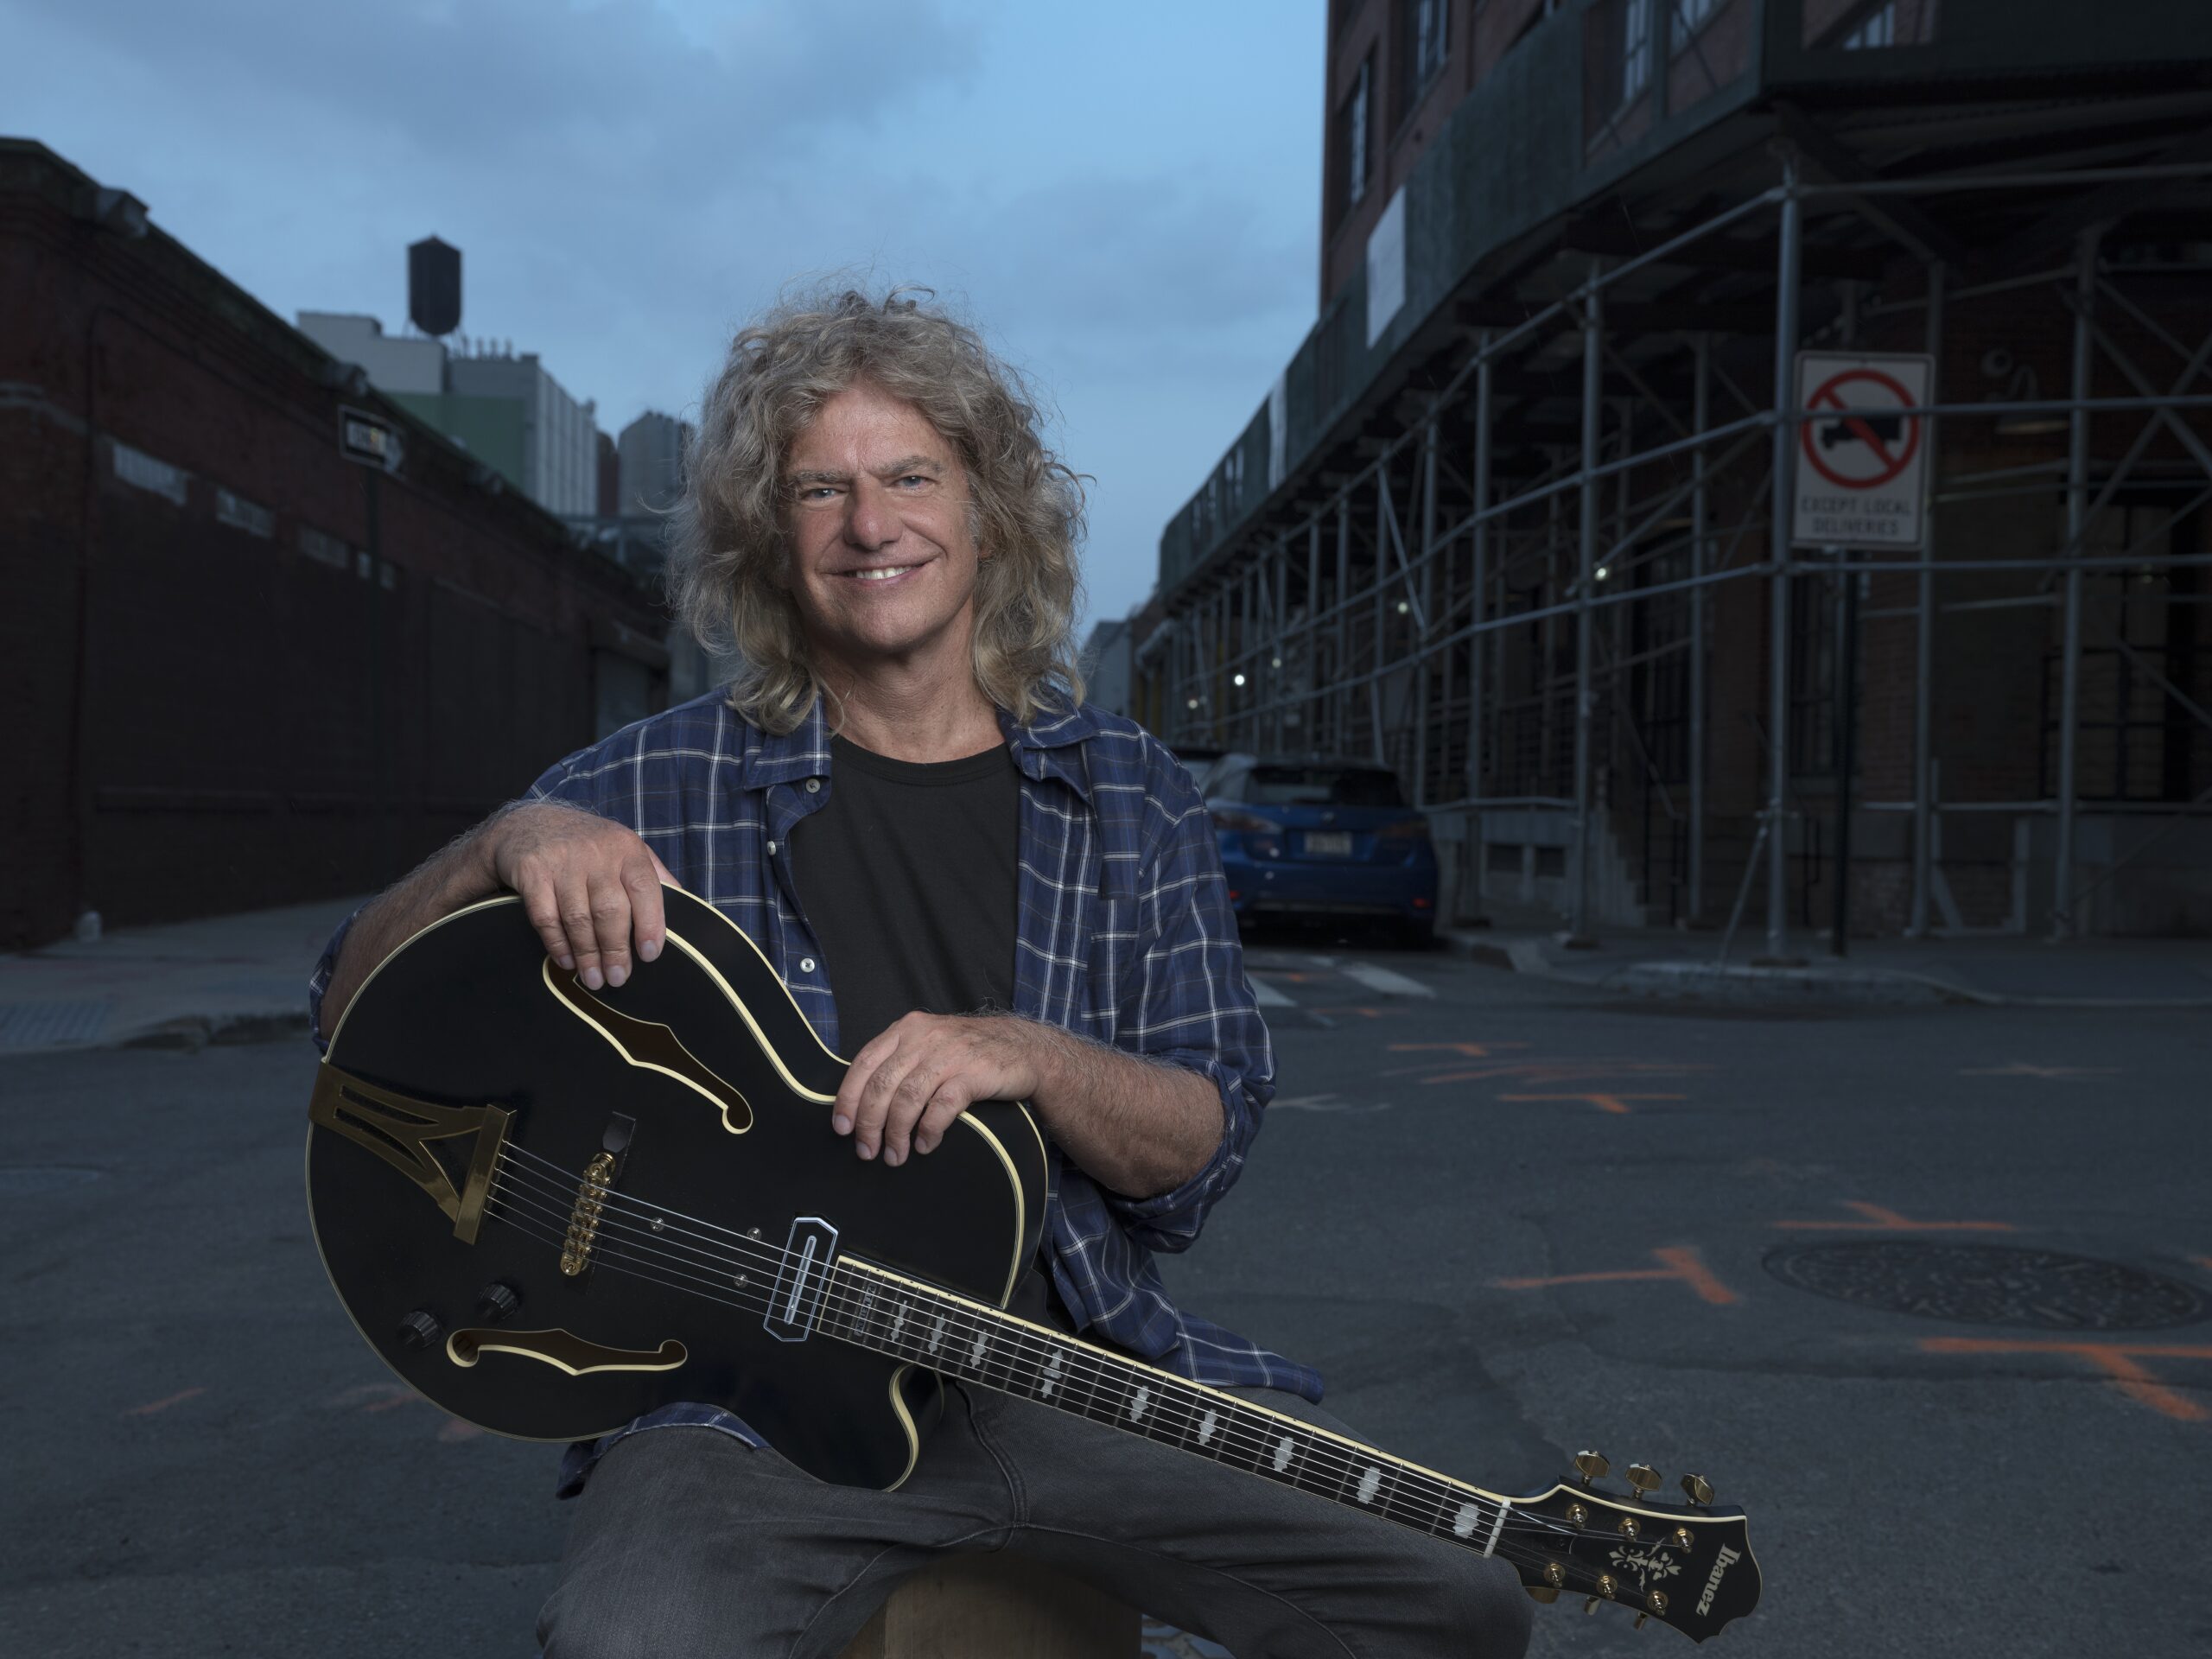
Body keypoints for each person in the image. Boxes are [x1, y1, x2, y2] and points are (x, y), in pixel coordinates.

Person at [308, 289, 1532, 1659]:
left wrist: (1031, 1053)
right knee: (635, 1641)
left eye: (908, 477)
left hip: (1065, 1366)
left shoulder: (1133, 794)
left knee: (1459, 1599)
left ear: (988, 507)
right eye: (819, 490)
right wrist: (502, 843)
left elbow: (1199, 1151)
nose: (870, 525)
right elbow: (348, 1011)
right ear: (769, 542)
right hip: (744, 1414)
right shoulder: (645, 784)